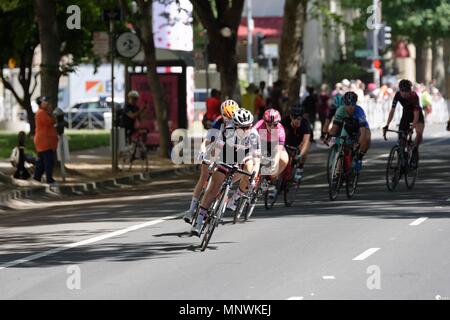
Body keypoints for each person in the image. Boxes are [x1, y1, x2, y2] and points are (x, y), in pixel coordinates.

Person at [191, 109, 261, 236]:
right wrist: (208, 160)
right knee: (214, 187)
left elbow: (256, 158)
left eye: (248, 127)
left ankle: (236, 197)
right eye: (243, 127)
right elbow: (217, 149)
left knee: (250, 169)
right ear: (235, 125)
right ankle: (199, 221)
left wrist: (254, 174)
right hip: (227, 154)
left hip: (244, 155)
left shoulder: (254, 134)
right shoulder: (228, 131)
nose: (246, 130)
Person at [182, 99, 240, 223]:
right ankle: (191, 210)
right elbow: (207, 142)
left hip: (228, 153)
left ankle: (214, 205)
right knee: (204, 176)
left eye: (232, 117)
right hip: (215, 148)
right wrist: (202, 151)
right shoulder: (218, 123)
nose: (229, 120)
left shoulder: (239, 124)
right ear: (222, 115)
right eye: (226, 117)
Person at [326, 91, 371, 173]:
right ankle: (338, 172)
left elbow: (363, 133)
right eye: (347, 104)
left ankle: (359, 158)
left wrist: (359, 145)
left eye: (353, 104)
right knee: (343, 144)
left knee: (366, 139)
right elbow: (334, 127)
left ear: (355, 104)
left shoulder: (359, 111)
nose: (350, 107)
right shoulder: (340, 110)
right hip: (348, 126)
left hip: (360, 127)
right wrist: (328, 136)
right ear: (344, 104)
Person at [383, 79, 425, 147]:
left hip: (417, 114)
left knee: (419, 134)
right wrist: (387, 124)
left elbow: (416, 114)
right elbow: (392, 110)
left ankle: (415, 149)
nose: (404, 93)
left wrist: (412, 128)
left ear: (410, 90)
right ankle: (401, 152)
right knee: (402, 137)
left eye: (407, 90)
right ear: (399, 90)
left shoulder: (414, 96)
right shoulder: (397, 95)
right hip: (406, 114)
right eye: (402, 90)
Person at [254, 108, 288, 181]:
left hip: (274, 145)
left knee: (284, 159)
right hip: (261, 143)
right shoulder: (259, 126)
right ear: (265, 122)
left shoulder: (280, 130)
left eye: (275, 124)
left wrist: (275, 164)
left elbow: (278, 151)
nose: (272, 127)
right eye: (269, 124)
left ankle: (270, 178)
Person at [281, 104, 312, 182]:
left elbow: (305, 141)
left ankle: (300, 168)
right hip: (289, 138)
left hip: (301, 140)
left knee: (307, 145)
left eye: (299, 118)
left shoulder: (305, 123)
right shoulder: (284, 121)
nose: (297, 120)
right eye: (294, 117)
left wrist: (300, 155)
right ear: (290, 116)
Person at [33, 96, 58, 184]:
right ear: (41, 103)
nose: (48, 104)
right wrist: (51, 113)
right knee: (48, 161)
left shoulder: (43, 112)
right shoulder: (41, 113)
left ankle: (37, 178)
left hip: (45, 141)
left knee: (42, 162)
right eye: (45, 102)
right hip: (44, 141)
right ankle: (49, 179)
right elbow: (51, 121)